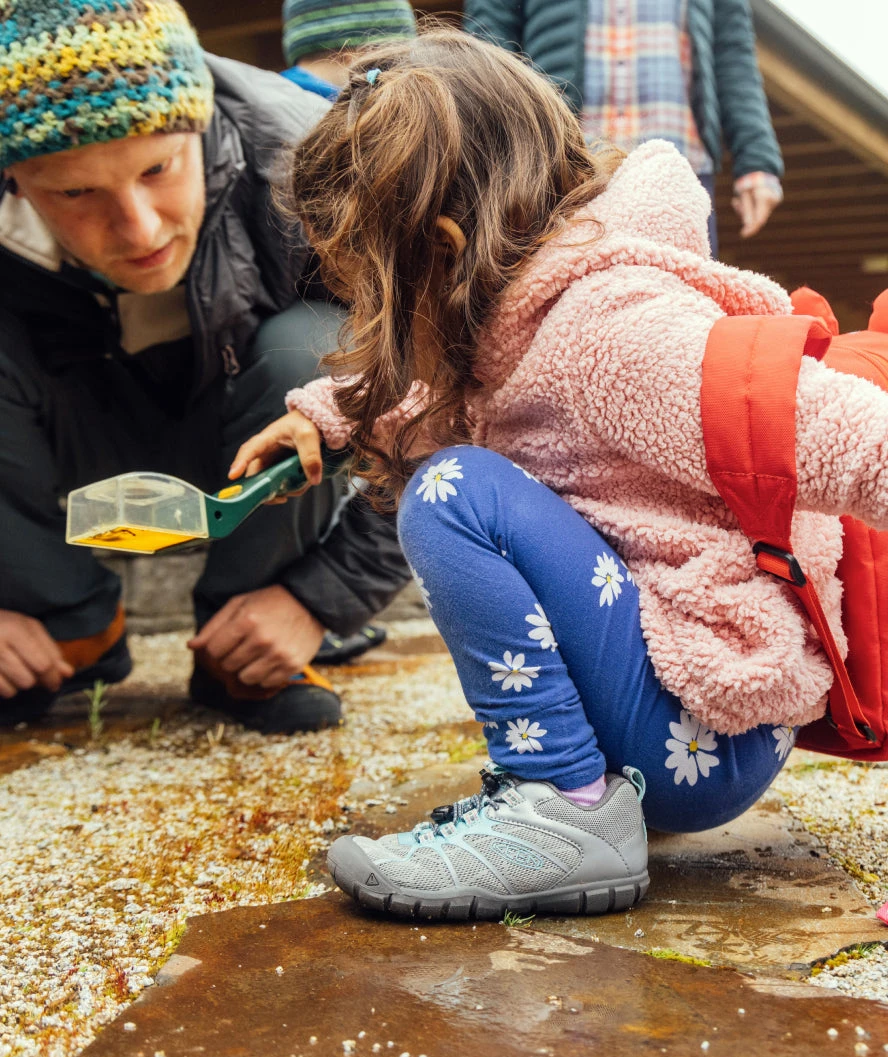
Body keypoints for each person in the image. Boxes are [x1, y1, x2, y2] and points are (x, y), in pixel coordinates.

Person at [230, 29, 888, 921]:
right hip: (680, 717)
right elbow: (448, 385)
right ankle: (572, 795)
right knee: (464, 477)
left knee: (456, 492)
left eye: (366, 287)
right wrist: (324, 413)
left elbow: (843, 438)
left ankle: (564, 810)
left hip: (704, 727)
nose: (362, 309)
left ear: (443, 246)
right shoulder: (526, 315)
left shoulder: (611, 330)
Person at [0, 0, 410, 734]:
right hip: (63, 445)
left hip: (259, 446)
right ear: (14, 181)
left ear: (200, 124)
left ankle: (242, 647)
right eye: (75, 193)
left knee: (321, 346)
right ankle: (67, 626)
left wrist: (319, 598)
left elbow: (463, 413)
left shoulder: (313, 163)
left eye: (159, 169)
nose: (140, 228)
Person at [463, 0, 784, 256]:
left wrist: (757, 159)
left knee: (684, 310)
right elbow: (489, 38)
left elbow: (732, 49)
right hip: (563, 169)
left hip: (681, 170)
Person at [280, 0, 417, 99]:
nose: (402, 72)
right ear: (350, 54)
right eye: (392, 60)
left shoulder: (270, 103)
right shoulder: (347, 113)